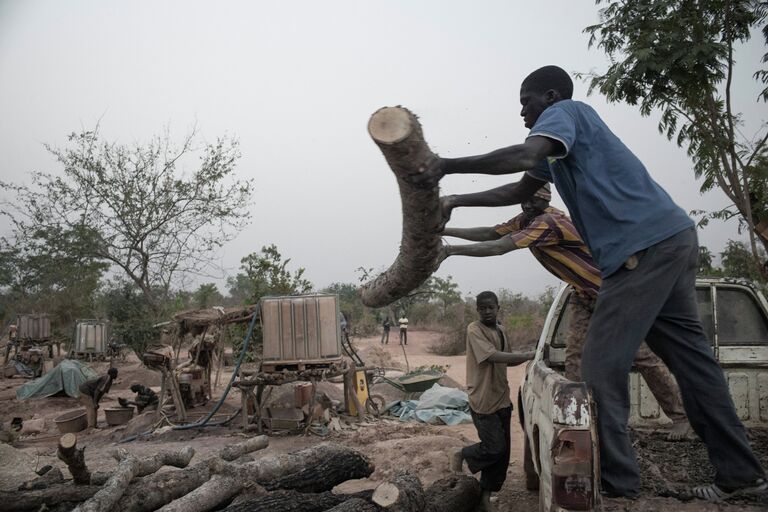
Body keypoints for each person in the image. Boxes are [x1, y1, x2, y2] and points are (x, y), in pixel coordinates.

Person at [416, 65, 765, 500]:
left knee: (599, 370)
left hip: (638, 252)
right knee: (693, 364)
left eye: (526, 102)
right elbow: (519, 185)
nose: (522, 112)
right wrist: (456, 199)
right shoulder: (558, 154)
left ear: (549, 96)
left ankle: (619, 485)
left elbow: (525, 158)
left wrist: (445, 165)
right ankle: (741, 477)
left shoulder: (568, 113)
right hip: (672, 238)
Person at [439, 183, 690, 440]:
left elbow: (501, 246)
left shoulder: (547, 222)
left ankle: (681, 417)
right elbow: (492, 233)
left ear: (543, 200)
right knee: (575, 361)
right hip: (583, 295)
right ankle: (580, 423)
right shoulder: (528, 218)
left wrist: (449, 250)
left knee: (643, 357)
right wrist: (444, 229)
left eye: (532, 200)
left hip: (611, 294)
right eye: (523, 199)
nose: (526, 204)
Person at [451, 291, 534, 511]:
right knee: (494, 448)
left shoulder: (501, 330)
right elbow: (492, 356)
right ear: (477, 309)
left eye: (491, 307)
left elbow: (508, 361)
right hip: (483, 399)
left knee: (503, 455)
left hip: (501, 398)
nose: (487, 311)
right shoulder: (473, 330)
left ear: (498, 307)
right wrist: (528, 355)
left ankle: (485, 498)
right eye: (483, 308)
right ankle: (464, 454)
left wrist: (535, 356)